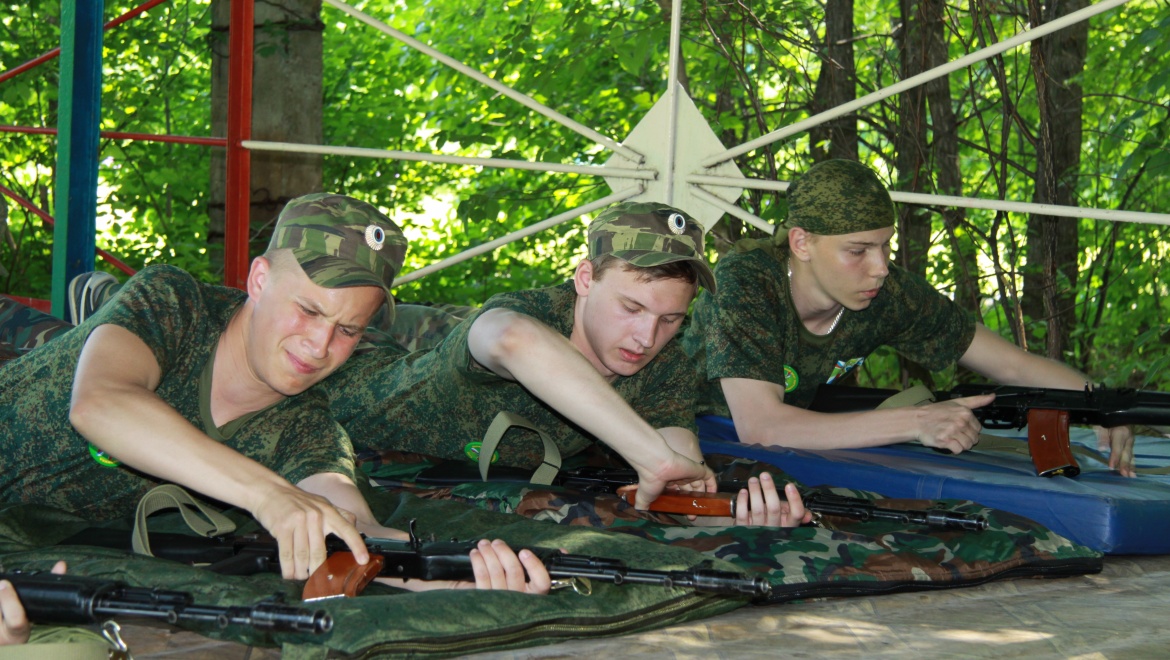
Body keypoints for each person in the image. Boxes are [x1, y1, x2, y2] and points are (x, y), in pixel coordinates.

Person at [0, 193, 550, 592]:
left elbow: (352, 528)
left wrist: (455, 576)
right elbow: (100, 404)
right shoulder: (174, 303)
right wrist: (268, 494)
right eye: (309, 310)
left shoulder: (304, 423)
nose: (319, 345)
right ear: (259, 280)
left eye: (348, 330)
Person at [327, 200, 808, 525]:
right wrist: (650, 455)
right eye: (632, 308)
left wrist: (730, 508)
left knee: (443, 328)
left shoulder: (668, 367)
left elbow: (679, 471)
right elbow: (511, 337)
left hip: (440, 349)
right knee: (417, 328)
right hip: (362, 374)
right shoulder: (529, 314)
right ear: (584, 279)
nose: (647, 338)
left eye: (670, 319)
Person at [681, 159, 1136, 477]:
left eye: (884, 246)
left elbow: (1011, 365)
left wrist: (1099, 405)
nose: (879, 266)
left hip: (781, 447)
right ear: (801, 243)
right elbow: (763, 427)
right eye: (858, 251)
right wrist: (919, 422)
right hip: (684, 435)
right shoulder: (748, 281)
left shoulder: (883, 291)